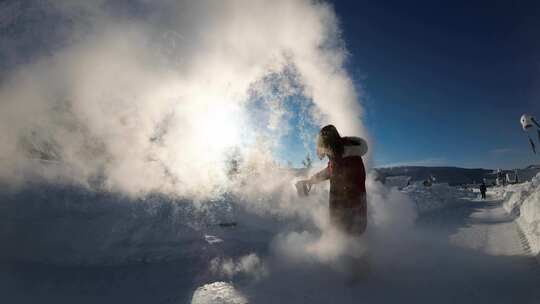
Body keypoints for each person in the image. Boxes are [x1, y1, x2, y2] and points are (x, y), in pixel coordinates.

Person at [299, 125, 368, 236]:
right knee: (341, 241)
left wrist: (340, 215)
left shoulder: (349, 159)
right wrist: (311, 180)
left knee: (350, 245)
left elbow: (353, 186)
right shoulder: (338, 156)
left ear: (329, 142)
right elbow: (329, 171)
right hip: (343, 214)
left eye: (323, 145)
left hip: (352, 217)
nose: (323, 151)